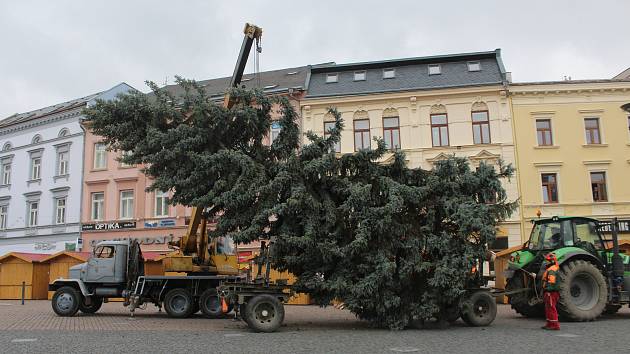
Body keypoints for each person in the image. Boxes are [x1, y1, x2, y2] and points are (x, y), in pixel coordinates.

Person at [542, 253, 560, 330]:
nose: (546, 262)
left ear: (552, 261)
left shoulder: (552, 270)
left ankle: (555, 325)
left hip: (551, 292)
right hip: (550, 292)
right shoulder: (552, 269)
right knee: (548, 308)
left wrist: (548, 290)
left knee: (551, 308)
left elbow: (551, 282)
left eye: (548, 261)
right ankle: (549, 324)